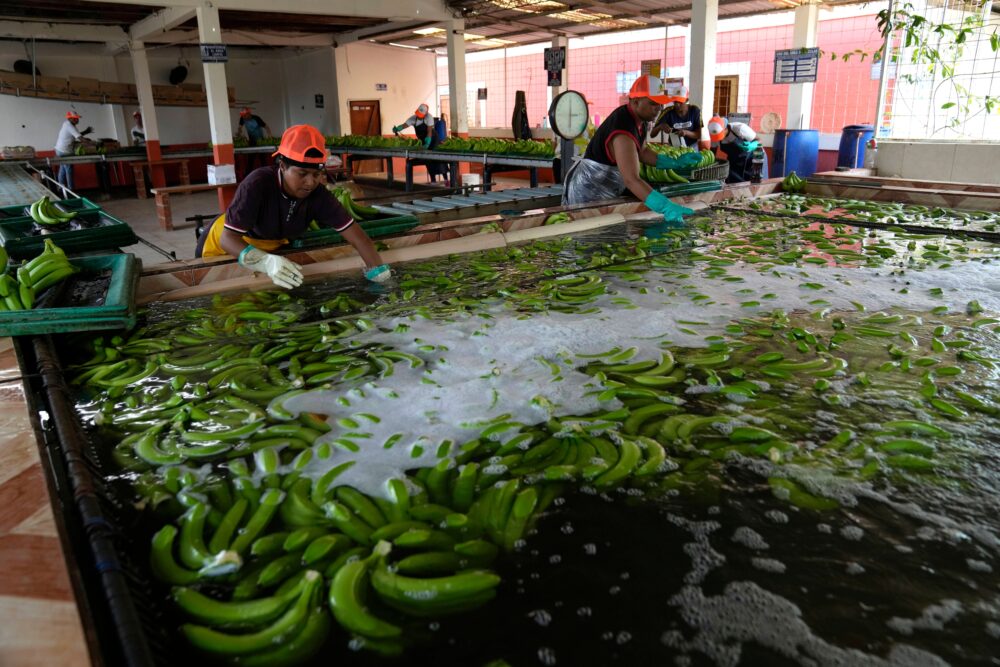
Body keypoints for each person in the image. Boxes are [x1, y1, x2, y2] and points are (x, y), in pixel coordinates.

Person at [196, 124, 392, 288]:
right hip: (225, 244)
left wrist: (379, 276)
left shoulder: (318, 196)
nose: (310, 182)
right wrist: (265, 262)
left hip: (270, 245)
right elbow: (228, 239)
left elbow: (360, 240)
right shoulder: (258, 184)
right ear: (282, 166)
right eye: (302, 174)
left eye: (316, 174)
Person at [562, 74, 701, 224]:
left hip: (605, 186)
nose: (659, 109)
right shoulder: (623, 129)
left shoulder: (639, 120)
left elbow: (642, 151)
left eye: (660, 104)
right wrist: (665, 207)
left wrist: (672, 162)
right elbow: (632, 180)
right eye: (653, 103)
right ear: (635, 102)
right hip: (590, 191)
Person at [392, 103, 447, 183]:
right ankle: (433, 180)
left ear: (425, 114)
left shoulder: (429, 117)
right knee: (428, 159)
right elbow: (404, 125)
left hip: (433, 139)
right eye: (418, 114)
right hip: (423, 140)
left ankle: (446, 178)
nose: (418, 116)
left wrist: (427, 143)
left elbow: (429, 132)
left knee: (438, 158)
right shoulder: (413, 118)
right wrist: (397, 128)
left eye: (421, 115)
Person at [708, 116, 764, 184]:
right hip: (735, 161)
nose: (719, 139)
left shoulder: (739, 128)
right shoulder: (715, 137)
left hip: (752, 159)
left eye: (720, 135)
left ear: (725, 128)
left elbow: (759, 140)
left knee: (754, 184)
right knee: (733, 183)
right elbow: (712, 152)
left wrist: (753, 145)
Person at [53, 110, 93, 192]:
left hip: (60, 150)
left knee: (63, 169)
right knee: (68, 169)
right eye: (75, 118)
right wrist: (93, 144)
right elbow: (80, 138)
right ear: (70, 118)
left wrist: (85, 132)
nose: (77, 120)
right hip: (64, 151)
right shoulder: (69, 126)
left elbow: (75, 134)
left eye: (77, 118)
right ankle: (71, 190)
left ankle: (60, 188)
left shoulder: (68, 124)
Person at [238, 107, 272, 173]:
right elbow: (240, 127)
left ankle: (266, 172)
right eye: (243, 116)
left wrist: (270, 136)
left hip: (260, 141)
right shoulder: (242, 118)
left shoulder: (256, 118)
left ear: (249, 114)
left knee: (262, 158)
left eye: (245, 115)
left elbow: (266, 127)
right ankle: (247, 174)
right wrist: (239, 133)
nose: (244, 117)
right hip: (252, 140)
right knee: (250, 159)